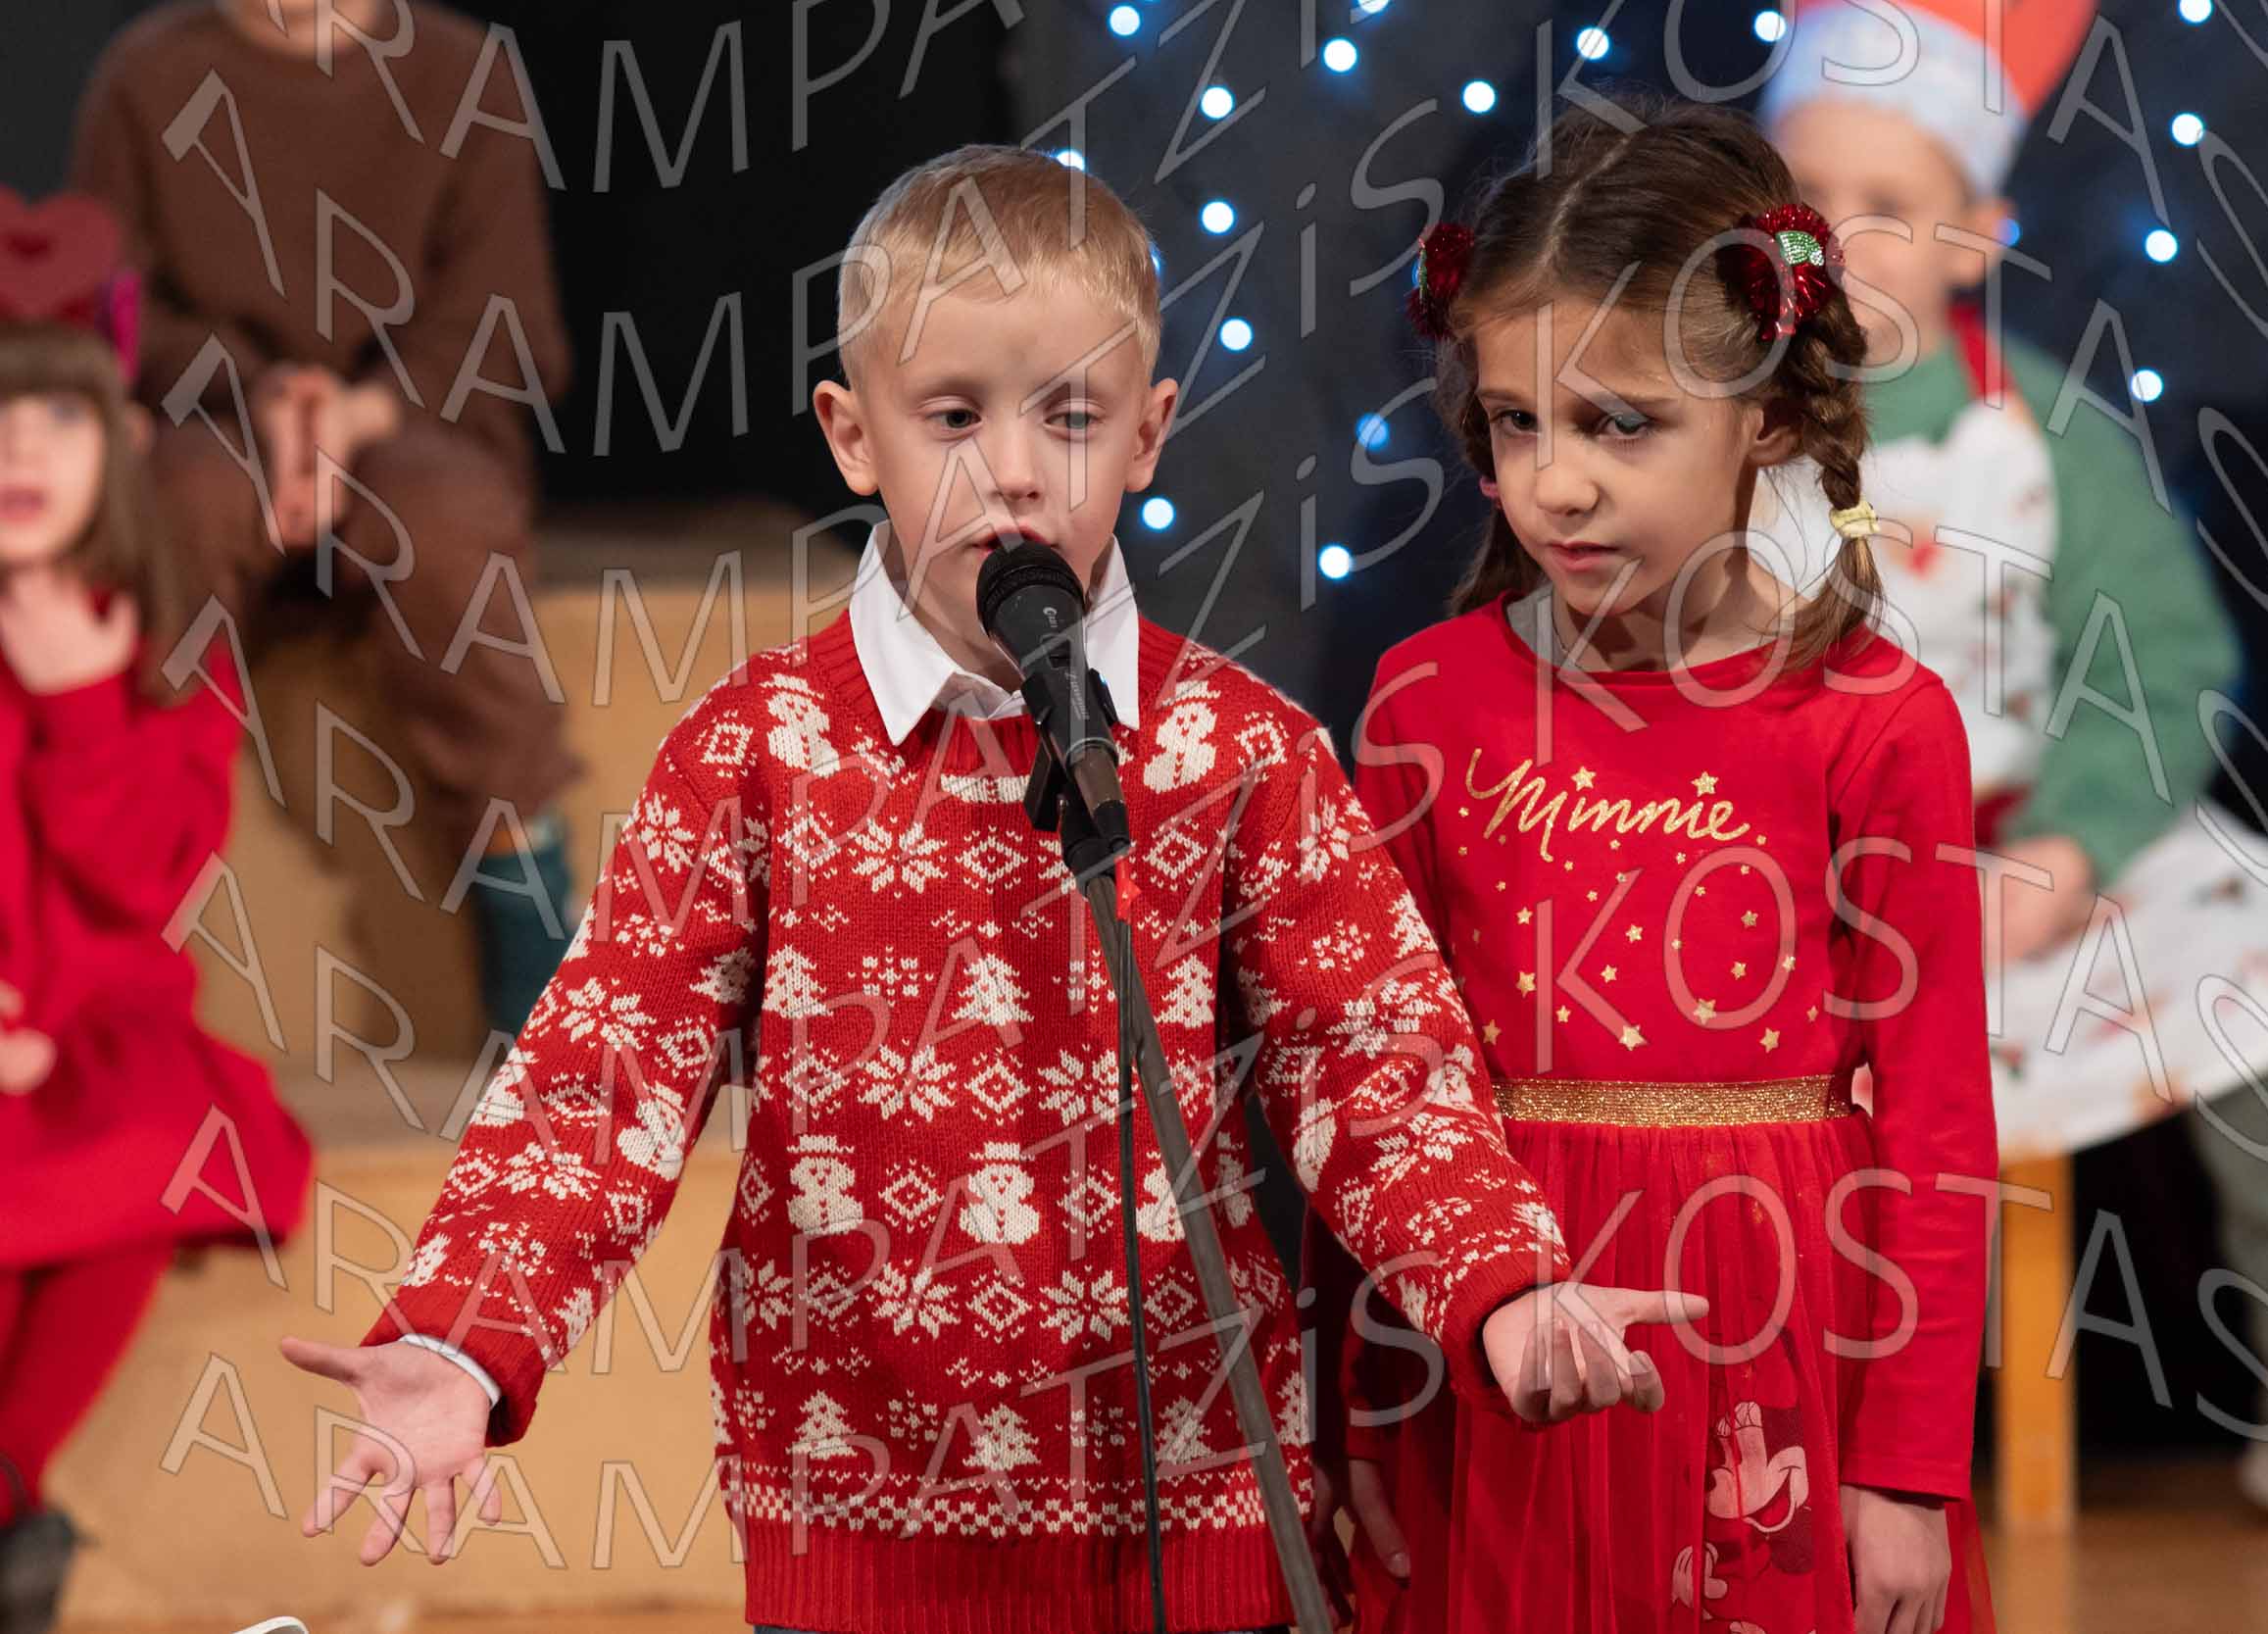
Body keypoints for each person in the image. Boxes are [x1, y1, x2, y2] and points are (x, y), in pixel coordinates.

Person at [276, 145, 1702, 1634]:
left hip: (1191, 1519)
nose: (1013, 469)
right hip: (858, 1537)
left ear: (1147, 436)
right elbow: (601, 1075)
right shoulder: (758, 751)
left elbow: (1372, 1056)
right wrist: (463, 1336)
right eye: (953, 416)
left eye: (1070, 417)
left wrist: (1500, 1281)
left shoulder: (1237, 748)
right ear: (853, 436)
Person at [1759, 0, 2268, 1552]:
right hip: (1801, 882)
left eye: (1887, 205)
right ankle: (1748, 1415)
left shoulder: (2043, 429)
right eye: (1803, 196)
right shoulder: (1714, 422)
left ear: (1975, 237)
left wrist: (2072, 845)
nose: (1838, 238)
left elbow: (2161, 657)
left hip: (2025, 864)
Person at [1310, 94, 1999, 1634]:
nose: (1555, 482)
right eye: (1517, 422)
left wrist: (1908, 1470)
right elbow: (1377, 1078)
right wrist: (1349, 1405)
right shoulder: (1428, 704)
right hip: (1493, 1351)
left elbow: (1940, 1122)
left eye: (1619, 423)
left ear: (1767, 415)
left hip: (1782, 1344)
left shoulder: (1876, 719)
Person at [70, 0, 582, 1033]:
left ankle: (524, 896)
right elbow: (115, 305)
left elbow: (503, 313)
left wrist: (357, 414)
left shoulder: (461, 71)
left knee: (440, 522)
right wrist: (262, 396)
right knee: (181, 507)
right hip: (215, 418)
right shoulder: (146, 75)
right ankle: (121, 890)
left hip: (414, 419)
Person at [0, 188, 313, 1634]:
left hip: (100, 1023)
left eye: (58, 416)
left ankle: (8, 1481)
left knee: (140, 1143)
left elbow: (153, 883)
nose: (21, 449)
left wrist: (76, 699)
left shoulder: (165, 646)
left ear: (121, 442)